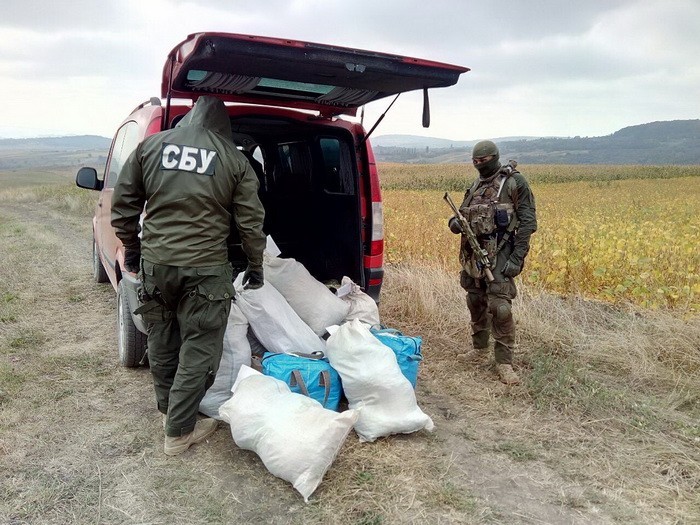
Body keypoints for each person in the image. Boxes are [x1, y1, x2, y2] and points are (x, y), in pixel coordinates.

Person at [111, 96, 266, 455]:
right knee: (200, 347)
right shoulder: (233, 159)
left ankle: (169, 413)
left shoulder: (151, 147)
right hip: (205, 271)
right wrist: (255, 265)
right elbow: (250, 223)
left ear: (189, 118)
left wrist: (133, 247)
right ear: (222, 127)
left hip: (156, 265)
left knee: (162, 340)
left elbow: (123, 204)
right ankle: (179, 432)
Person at [448, 140, 537, 385]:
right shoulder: (476, 185)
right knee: (475, 301)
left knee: (500, 308)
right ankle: (479, 349)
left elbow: (528, 223)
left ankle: (504, 362)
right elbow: (461, 215)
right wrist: (454, 224)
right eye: (475, 161)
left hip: (501, 252)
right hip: (473, 254)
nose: (479, 165)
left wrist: (517, 258)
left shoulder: (514, 183)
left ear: (495, 158)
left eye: (483, 161)